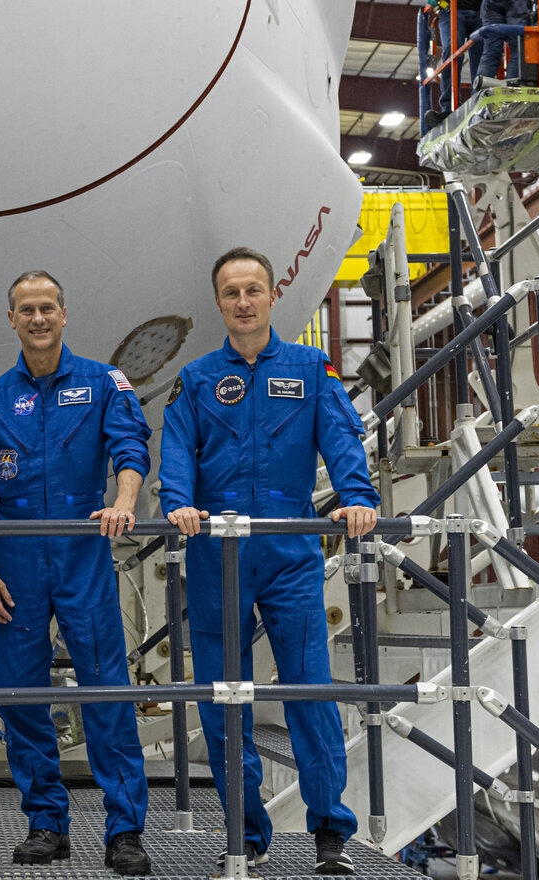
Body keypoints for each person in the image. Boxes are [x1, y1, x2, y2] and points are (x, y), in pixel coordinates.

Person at [159, 247, 380, 877]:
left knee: (309, 691)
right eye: (231, 293)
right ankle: (245, 833)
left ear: (272, 295)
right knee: (225, 699)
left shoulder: (312, 370)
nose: (244, 301)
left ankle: (330, 833)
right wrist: (177, 503)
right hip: (214, 552)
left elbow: (340, 438)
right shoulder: (197, 379)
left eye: (254, 289)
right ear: (220, 302)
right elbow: (176, 450)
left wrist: (358, 499)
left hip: (288, 549)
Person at [0, 271, 154, 876]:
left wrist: (124, 502)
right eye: (27, 309)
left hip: (82, 547)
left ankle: (124, 830)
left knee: (106, 692)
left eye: (48, 307)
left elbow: (130, 447)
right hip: (14, 556)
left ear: (65, 315)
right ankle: (46, 821)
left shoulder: (103, 383)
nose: (38, 318)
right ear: (12, 320)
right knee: (20, 696)